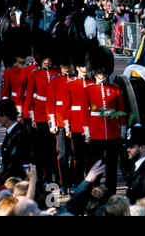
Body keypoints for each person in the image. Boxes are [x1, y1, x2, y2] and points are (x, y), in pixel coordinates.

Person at [82, 46, 126, 195]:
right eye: (99, 72)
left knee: (112, 167)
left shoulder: (115, 89)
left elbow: (121, 112)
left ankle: (111, 194)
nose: (102, 75)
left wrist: (123, 131)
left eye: (104, 72)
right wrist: (87, 133)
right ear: (94, 72)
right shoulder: (88, 89)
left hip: (113, 132)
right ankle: (96, 191)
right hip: (96, 132)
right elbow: (85, 113)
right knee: (97, 165)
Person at [23, 30, 60, 185]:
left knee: (55, 149)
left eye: (49, 57)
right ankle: (45, 177)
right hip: (39, 115)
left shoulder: (57, 72)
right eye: (44, 58)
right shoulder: (34, 74)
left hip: (55, 115)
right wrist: (31, 117)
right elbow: (30, 98)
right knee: (42, 149)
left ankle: (55, 178)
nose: (47, 60)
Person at [62, 40, 95, 187]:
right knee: (78, 157)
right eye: (82, 66)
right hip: (75, 124)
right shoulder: (70, 84)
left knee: (89, 157)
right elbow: (66, 107)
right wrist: (67, 126)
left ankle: (88, 181)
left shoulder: (93, 84)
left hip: (91, 124)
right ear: (77, 67)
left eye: (86, 66)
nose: (84, 69)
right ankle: (77, 181)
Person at [46, 38, 76, 194]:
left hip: (76, 122)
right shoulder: (54, 81)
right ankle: (63, 183)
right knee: (63, 154)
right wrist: (52, 123)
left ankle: (74, 181)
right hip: (60, 122)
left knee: (75, 155)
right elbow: (50, 103)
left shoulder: (76, 79)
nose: (67, 67)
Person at [0, 27, 32, 122]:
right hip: (13, 104)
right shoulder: (8, 72)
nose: (22, 58)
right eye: (20, 55)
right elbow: (4, 93)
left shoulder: (31, 71)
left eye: (23, 55)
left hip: (28, 105)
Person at [0, 99, 30, 185]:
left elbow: (13, 163)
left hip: (15, 182)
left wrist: (1, 179)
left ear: (4, 117)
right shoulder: (13, 131)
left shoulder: (19, 134)